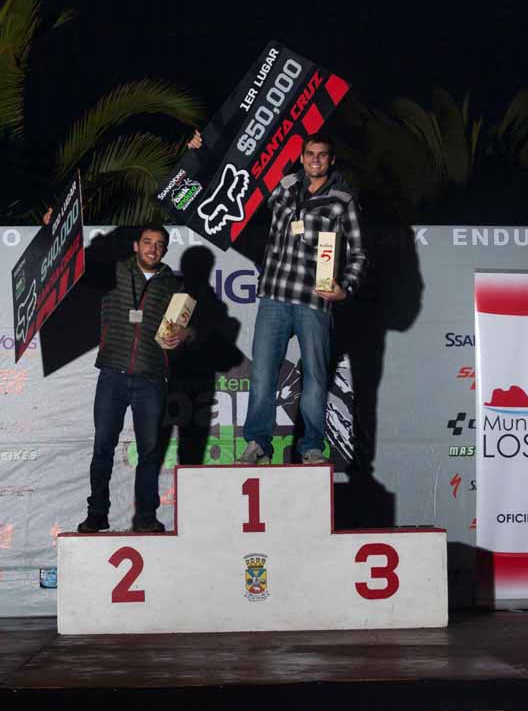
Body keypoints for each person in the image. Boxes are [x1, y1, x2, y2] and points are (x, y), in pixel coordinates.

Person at [188, 130, 368, 464]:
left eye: (322, 155)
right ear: (301, 157)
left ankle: (311, 446)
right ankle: (258, 443)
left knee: (315, 377)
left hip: (314, 301)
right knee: (262, 374)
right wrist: (204, 151)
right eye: (310, 154)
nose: (315, 160)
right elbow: (237, 181)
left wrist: (345, 287)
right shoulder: (284, 186)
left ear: (331, 160)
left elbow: (358, 253)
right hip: (274, 297)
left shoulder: (343, 199)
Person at [77, 224, 188, 533]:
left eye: (159, 244)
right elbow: (72, 267)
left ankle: (146, 517)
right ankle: (97, 512)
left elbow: (182, 328)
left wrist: (183, 333)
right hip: (112, 373)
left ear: (165, 250)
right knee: (103, 448)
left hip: (151, 379)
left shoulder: (175, 285)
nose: (153, 248)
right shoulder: (112, 272)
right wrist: (52, 231)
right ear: (136, 246)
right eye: (147, 242)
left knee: (149, 452)